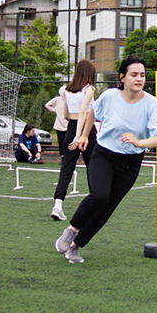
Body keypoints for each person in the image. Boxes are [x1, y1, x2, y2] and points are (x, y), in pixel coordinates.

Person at [54, 56, 157, 264]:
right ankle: (72, 229)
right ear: (122, 77)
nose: (139, 79)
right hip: (104, 155)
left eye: (142, 75)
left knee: (107, 209)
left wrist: (139, 142)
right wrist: (83, 136)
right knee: (99, 196)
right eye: (134, 74)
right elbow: (92, 114)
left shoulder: (151, 104)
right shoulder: (109, 96)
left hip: (131, 164)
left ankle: (76, 246)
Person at [51, 60, 97, 221]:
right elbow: (84, 111)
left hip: (71, 128)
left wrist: (74, 134)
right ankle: (95, 205)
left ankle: (58, 205)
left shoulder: (66, 90)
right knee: (93, 167)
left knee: (67, 169)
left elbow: (65, 115)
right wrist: (80, 136)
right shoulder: (89, 89)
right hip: (87, 131)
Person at [44, 92, 68, 161]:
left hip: (68, 124)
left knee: (68, 141)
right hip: (59, 125)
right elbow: (47, 105)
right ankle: (62, 157)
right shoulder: (57, 99)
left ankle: (68, 157)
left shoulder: (70, 100)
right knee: (61, 142)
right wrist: (55, 111)